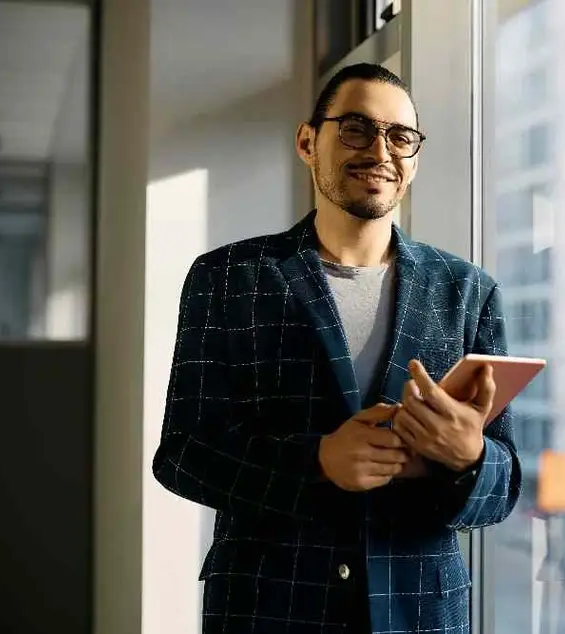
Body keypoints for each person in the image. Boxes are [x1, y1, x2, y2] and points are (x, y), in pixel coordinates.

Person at [153, 62, 521, 634]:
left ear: (414, 157)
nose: (380, 149)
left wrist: (470, 458)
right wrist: (317, 462)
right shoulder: (228, 277)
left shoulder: (468, 291)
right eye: (355, 128)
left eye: (400, 136)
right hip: (269, 609)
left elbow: (505, 486)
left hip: (419, 613)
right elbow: (183, 454)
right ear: (308, 142)